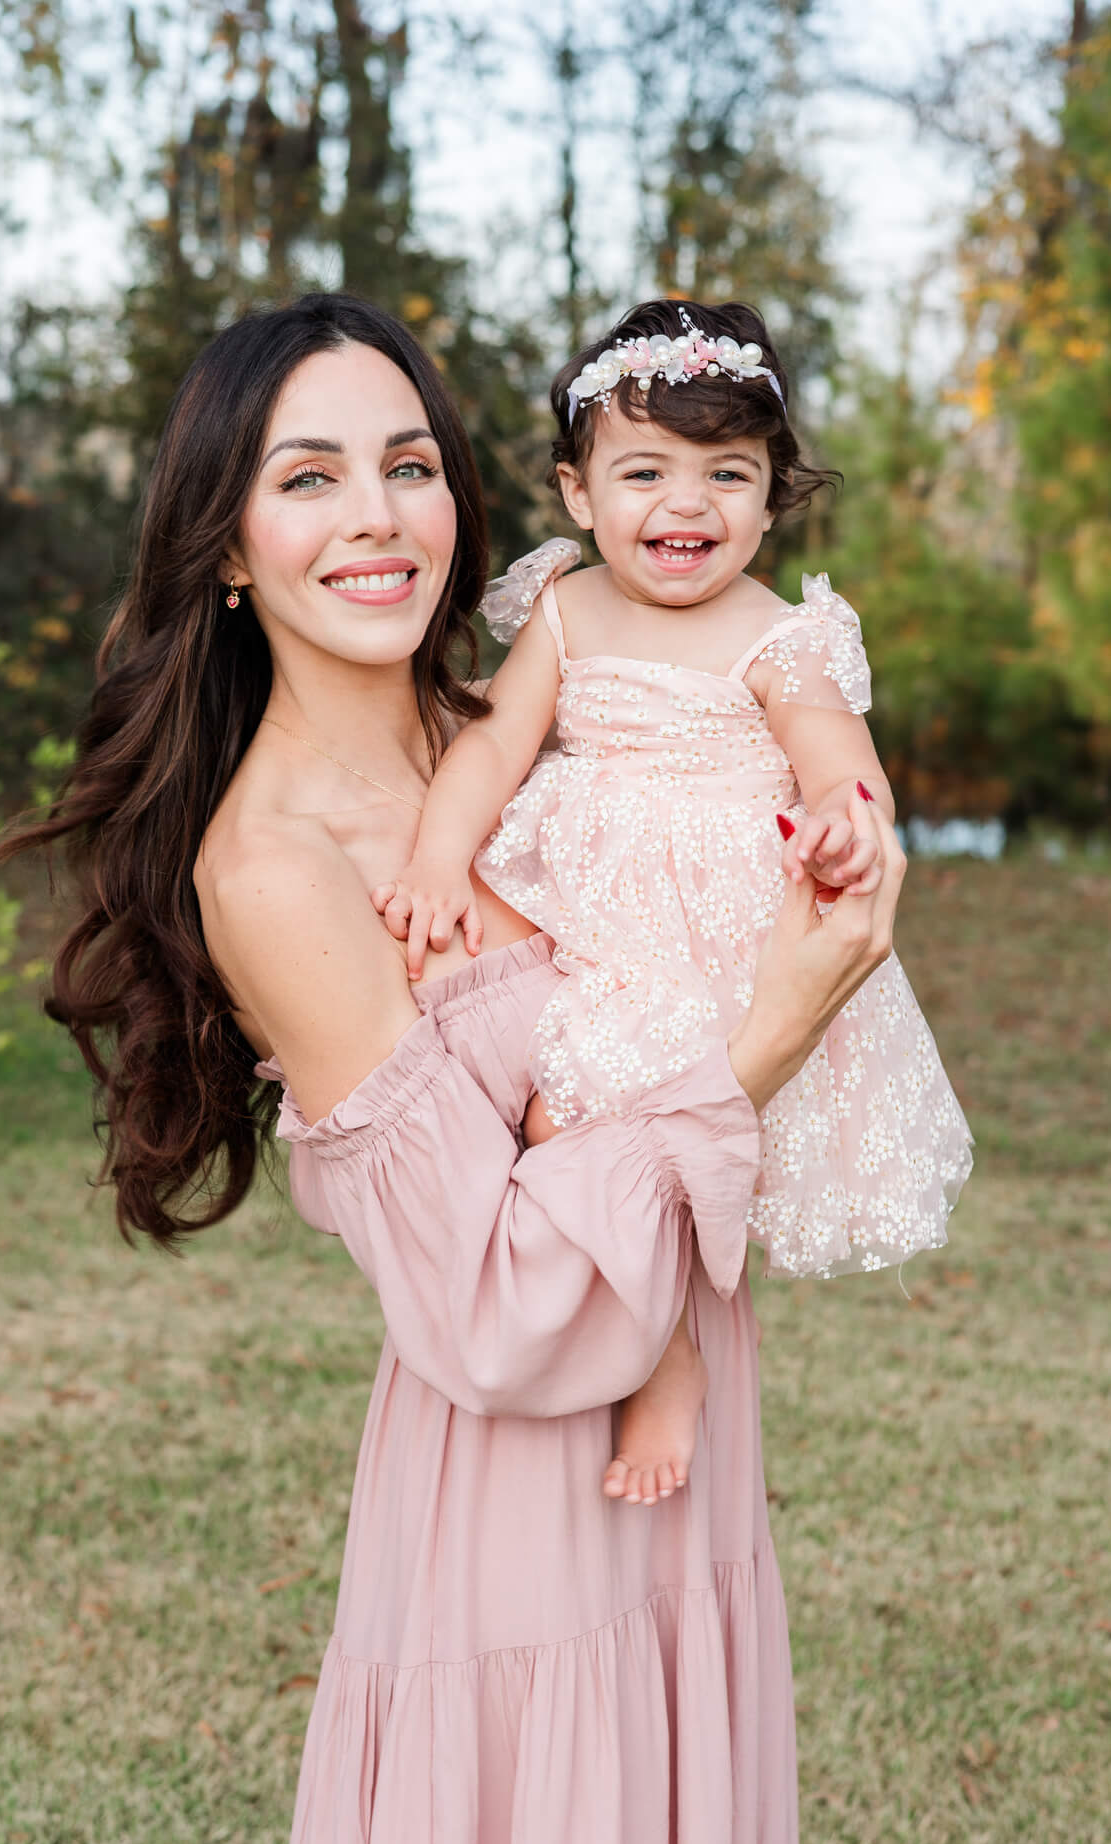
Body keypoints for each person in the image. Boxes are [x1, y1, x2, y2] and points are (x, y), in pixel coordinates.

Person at [0, 292, 912, 1844]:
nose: (378, 515)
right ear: (230, 548)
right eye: (309, 475)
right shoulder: (275, 871)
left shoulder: (533, 723)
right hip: (515, 1516)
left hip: (682, 1443)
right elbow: (486, 1314)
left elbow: (756, 794)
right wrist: (773, 1034)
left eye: (409, 464)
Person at [373, 298, 973, 1509]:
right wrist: (441, 855)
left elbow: (841, 770)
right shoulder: (565, 604)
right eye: (645, 471)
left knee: (628, 1126)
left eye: (727, 474)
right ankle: (640, 1330)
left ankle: (667, 1349)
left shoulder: (783, 634)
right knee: (542, 1120)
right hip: (583, 916)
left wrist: (846, 828)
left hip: (716, 945)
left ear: (773, 494)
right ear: (581, 493)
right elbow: (491, 752)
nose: (686, 504)